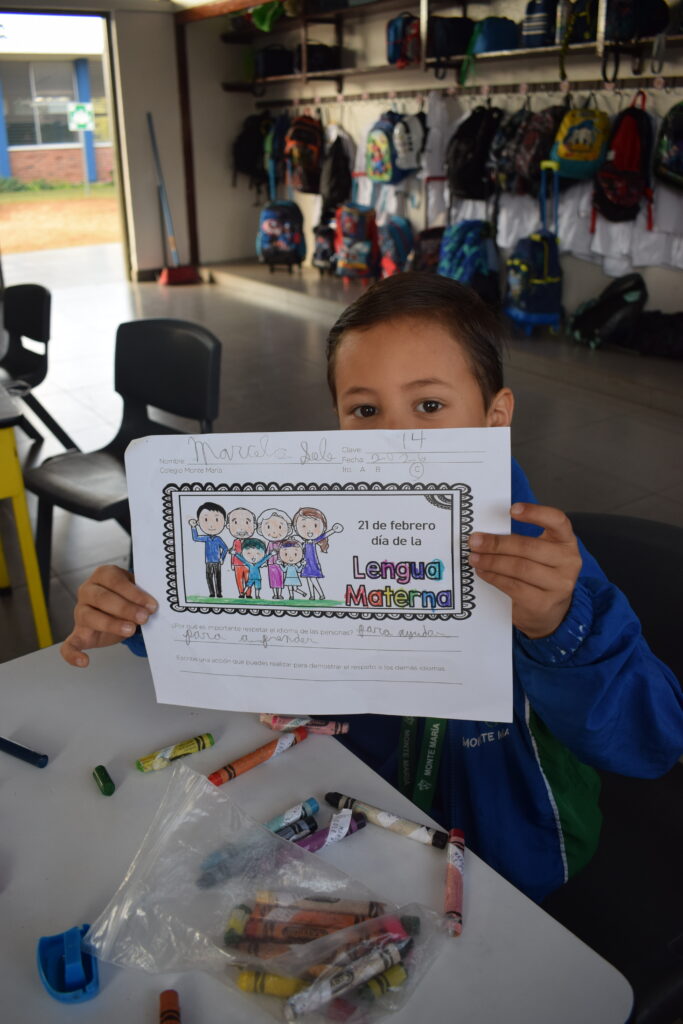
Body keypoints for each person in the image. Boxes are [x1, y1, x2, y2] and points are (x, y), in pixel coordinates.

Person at [59, 273, 683, 905]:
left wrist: (558, 627)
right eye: (364, 410)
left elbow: (651, 740)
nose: (395, 438)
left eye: (429, 406)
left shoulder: (542, 568)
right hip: (354, 825)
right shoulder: (317, 530)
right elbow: (245, 635)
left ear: (494, 419)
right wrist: (140, 617)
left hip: (511, 858)